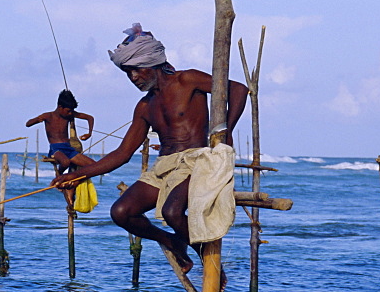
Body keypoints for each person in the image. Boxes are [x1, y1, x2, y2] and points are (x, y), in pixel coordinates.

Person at [53, 23, 248, 273]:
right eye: (128, 73)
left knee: (172, 212)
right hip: (164, 167)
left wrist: (226, 130)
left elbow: (238, 89)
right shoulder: (144, 106)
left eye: (137, 70)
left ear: (153, 63)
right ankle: (172, 242)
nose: (133, 77)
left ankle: (210, 264)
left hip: (197, 162)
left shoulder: (187, 80)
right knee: (122, 212)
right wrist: (77, 175)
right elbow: (122, 154)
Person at [26, 90, 95, 174]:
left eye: (71, 111)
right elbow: (28, 124)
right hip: (56, 149)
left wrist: (89, 133)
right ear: (60, 107)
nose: (70, 113)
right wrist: (36, 120)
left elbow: (90, 118)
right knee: (65, 162)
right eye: (68, 111)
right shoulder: (48, 116)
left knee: (94, 166)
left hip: (69, 149)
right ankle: (59, 175)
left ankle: (75, 179)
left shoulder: (69, 114)